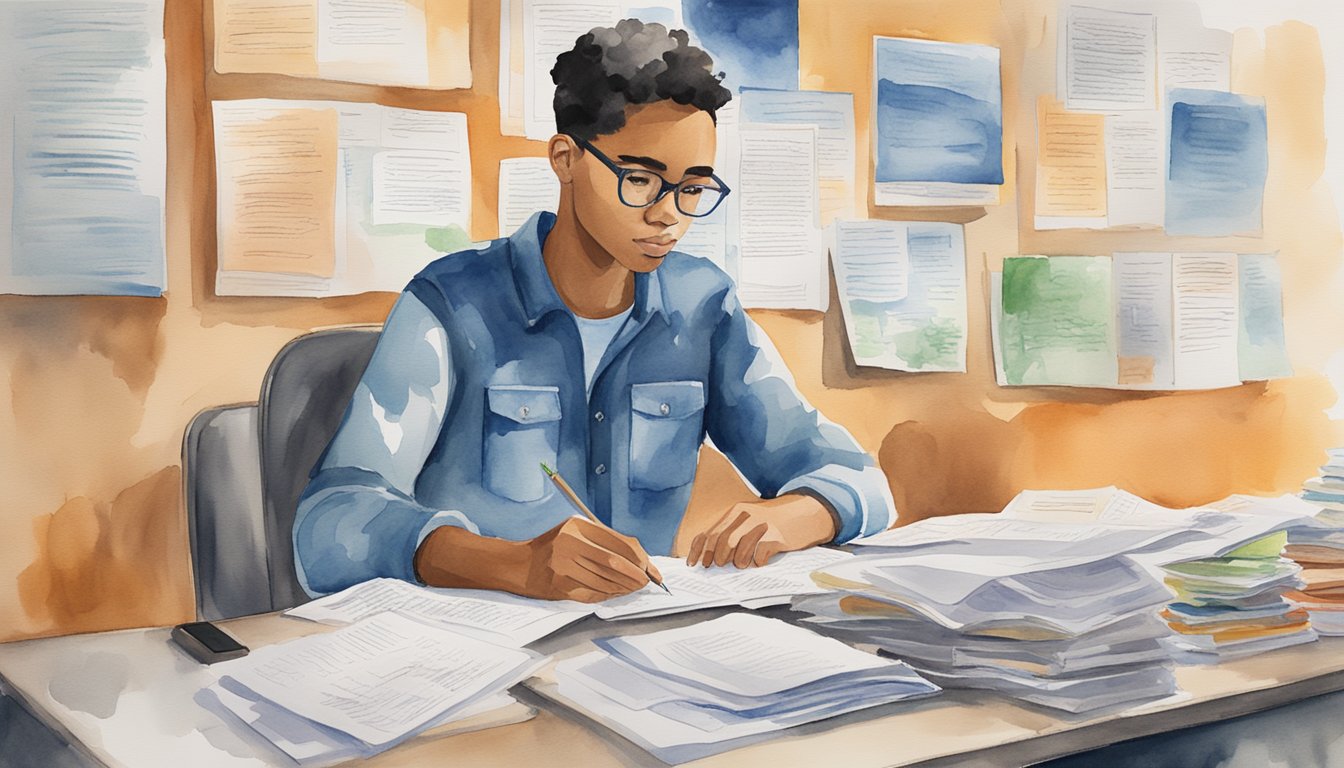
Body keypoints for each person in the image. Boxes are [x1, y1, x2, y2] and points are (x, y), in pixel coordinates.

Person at [293, 19, 895, 603]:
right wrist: (515, 564)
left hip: (635, 650)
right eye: (640, 179)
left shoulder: (703, 306)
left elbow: (861, 481)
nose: (669, 215)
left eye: (692, 188)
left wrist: (800, 513)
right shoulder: (449, 302)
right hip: (476, 653)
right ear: (565, 159)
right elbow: (328, 527)